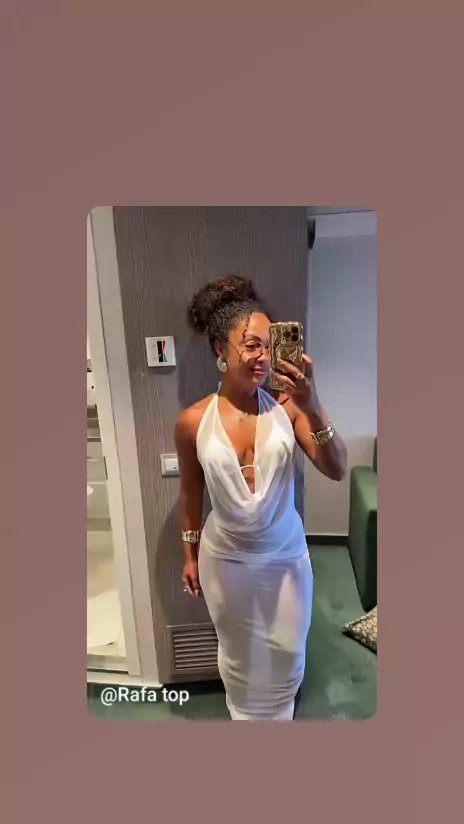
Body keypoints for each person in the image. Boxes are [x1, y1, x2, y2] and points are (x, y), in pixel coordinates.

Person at [174, 275, 347, 721]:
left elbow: (337, 468)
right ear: (220, 348)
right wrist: (189, 553)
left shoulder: (289, 408)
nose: (264, 357)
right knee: (237, 652)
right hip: (225, 558)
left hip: (285, 555)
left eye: (269, 347)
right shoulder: (193, 422)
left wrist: (313, 403)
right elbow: (191, 488)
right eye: (252, 345)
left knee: (288, 650)